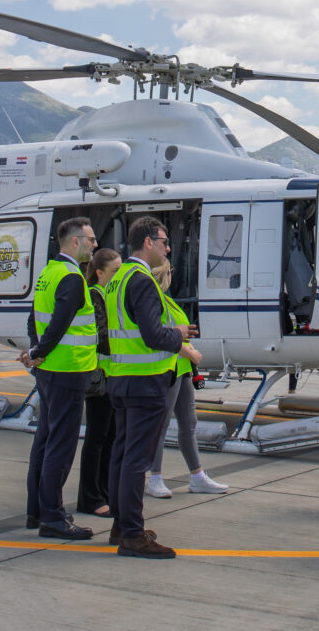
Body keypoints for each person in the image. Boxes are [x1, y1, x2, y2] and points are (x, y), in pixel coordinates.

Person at [104, 215, 202, 558]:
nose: (167, 247)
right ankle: (132, 533)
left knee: (121, 455)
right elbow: (151, 335)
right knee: (136, 459)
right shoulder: (142, 280)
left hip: (121, 380)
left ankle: (121, 524)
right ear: (148, 243)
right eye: (163, 242)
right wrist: (178, 334)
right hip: (145, 383)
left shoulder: (119, 278)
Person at [21, 217, 100, 540]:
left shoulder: (48, 274)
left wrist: (36, 351)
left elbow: (33, 319)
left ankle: (37, 511)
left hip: (49, 371)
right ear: (75, 242)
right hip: (67, 370)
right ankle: (53, 517)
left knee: (44, 440)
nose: (95, 244)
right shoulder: (71, 277)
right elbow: (60, 323)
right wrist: (40, 351)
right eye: (91, 239)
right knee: (61, 445)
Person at [146, 258, 229, 498]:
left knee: (189, 422)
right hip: (169, 367)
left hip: (182, 370)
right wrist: (189, 351)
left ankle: (197, 476)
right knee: (161, 425)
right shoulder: (156, 300)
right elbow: (161, 335)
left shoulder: (167, 300)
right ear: (167, 274)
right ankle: (155, 477)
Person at [76, 247, 122, 517]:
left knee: (110, 436)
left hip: (112, 375)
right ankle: (91, 497)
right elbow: (101, 335)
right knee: (97, 436)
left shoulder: (109, 294)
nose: (118, 276)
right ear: (99, 272)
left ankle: (104, 491)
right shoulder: (96, 295)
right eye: (114, 271)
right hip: (100, 377)